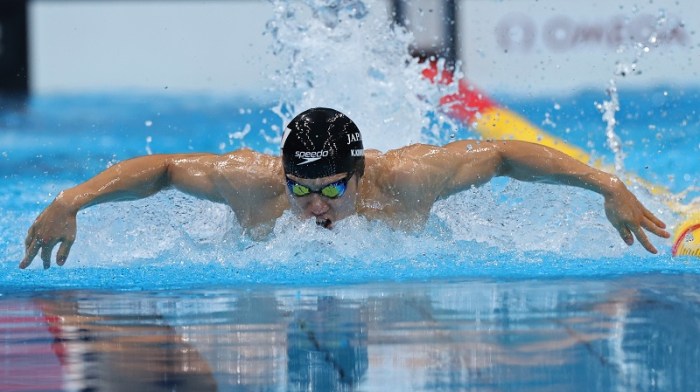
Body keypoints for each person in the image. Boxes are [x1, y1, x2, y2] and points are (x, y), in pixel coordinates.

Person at [20, 107, 670, 269]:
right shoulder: (254, 186)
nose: (312, 208)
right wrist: (70, 199)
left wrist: (604, 183)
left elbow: (500, 152)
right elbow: (162, 169)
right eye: (302, 189)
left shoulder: (408, 180)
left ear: (360, 175)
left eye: (332, 191)